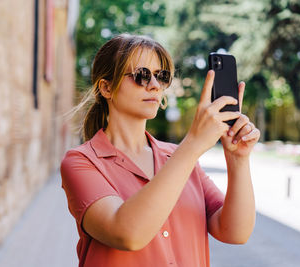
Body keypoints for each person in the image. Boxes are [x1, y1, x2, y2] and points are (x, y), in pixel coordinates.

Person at [60, 33, 260, 267]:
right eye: (142, 75)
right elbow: (128, 234)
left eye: (161, 76)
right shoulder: (81, 162)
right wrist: (193, 144)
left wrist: (238, 159)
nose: (155, 86)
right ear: (106, 87)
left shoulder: (178, 157)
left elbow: (235, 233)